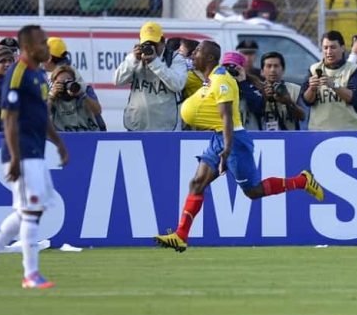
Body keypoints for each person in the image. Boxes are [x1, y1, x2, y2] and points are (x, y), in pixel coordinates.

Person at [154, 43, 323, 252]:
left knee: (253, 191)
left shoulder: (222, 80)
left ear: (209, 58)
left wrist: (226, 148)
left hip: (233, 140)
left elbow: (227, 117)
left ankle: (302, 180)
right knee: (197, 183)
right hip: (219, 137)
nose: (193, 54)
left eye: (198, 51)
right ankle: (181, 235)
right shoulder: (211, 79)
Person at [0, 24, 69, 289]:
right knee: (30, 209)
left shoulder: (37, 75)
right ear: (27, 47)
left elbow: (40, 115)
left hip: (36, 151)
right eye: (42, 43)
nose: (47, 47)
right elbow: (9, 118)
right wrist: (13, 157)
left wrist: (58, 143)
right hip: (21, 153)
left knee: (31, 209)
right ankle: (30, 274)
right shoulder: (18, 73)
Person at [113, 21, 187, 131]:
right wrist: (133, 60)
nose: (150, 47)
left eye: (153, 43)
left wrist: (155, 62)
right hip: (136, 126)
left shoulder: (175, 59)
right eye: (146, 43)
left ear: (162, 41)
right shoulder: (134, 58)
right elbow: (117, 80)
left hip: (165, 128)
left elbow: (177, 84)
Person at [301, 30, 357, 131]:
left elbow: (354, 98)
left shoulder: (353, 69)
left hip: (350, 131)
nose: (329, 52)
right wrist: (312, 88)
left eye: (333, 47)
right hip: (319, 131)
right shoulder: (314, 69)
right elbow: (306, 101)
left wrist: (333, 85)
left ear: (343, 48)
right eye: (325, 48)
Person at [258, 51, 305, 131]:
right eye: (269, 66)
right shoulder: (256, 90)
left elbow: (302, 116)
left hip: (289, 138)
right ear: (262, 71)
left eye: (276, 66)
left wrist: (288, 102)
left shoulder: (294, 89)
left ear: (283, 70)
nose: (273, 70)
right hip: (263, 138)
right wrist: (263, 99)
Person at [48, 64, 103, 132]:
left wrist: (83, 95)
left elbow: (98, 111)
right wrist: (52, 96)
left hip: (89, 133)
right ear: (54, 84)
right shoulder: (52, 97)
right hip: (65, 136)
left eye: (68, 81)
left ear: (74, 80)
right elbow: (42, 115)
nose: (66, 84)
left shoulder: (84, 90)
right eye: (61, 83)